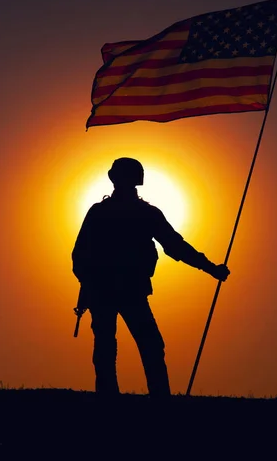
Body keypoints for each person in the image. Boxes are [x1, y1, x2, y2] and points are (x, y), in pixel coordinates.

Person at [72, 157, 230, 397]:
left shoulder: (136, 214)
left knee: (142, 345)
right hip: (113, 290)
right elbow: (80, 254)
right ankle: (135, 398)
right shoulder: (118, 213)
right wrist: (88, 284)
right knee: (121, 346)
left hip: (121, 290)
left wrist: (210, 268)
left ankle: (149, 398)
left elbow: (176, 246)